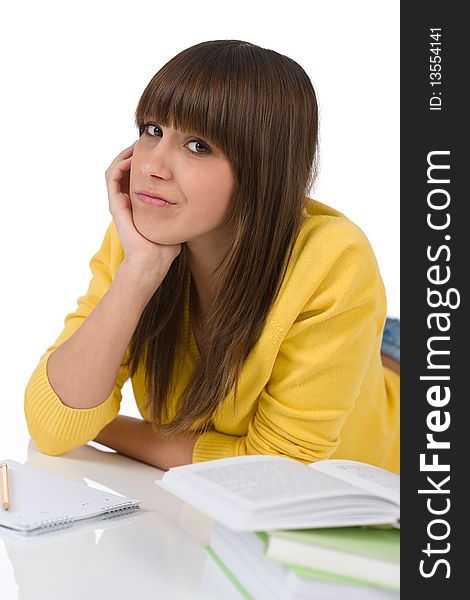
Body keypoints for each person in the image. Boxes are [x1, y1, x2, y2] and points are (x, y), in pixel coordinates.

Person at [24, 39, 400, 474]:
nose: (152, 166)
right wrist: (139, 272)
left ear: (263, 170)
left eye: (198, 146)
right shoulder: (142, 238)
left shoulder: (333, 258)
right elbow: (51, 427)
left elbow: (277, 469)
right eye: (152, 130)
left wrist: (102, 427)